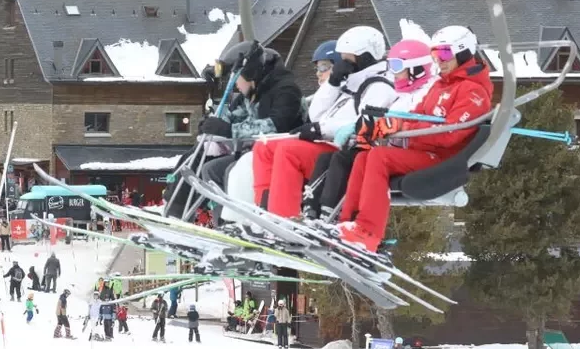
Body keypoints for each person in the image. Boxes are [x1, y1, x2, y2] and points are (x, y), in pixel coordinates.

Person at [337, 26, 493, 252]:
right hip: (423, 151)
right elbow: (416, 116)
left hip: (444, 160)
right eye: (435, 56)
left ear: (463, 52)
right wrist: (396, 125)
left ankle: (368, 232)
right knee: (365, 157)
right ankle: (347, 223)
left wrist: (408, 130)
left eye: (445, 54)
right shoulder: (440, 85)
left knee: (380, 157)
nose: (439, 61)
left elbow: (451, 134)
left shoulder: (473, 92)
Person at [250, 27, 391, 218]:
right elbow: (316, 113)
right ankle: (263, 209)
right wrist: (333, 82)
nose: (344, 64)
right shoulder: (349, 81)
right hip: (326, 144)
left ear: (364, 57)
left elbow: (362, 124)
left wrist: (320, 129)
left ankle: (282, 215)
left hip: (344, 149)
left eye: (347, 58)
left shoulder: (379, 85)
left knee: (289, 152)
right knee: (264, 146)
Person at [164, 40, 303, 221]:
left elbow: (275, 125)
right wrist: (214, 124)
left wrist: (229, 130)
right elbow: (232, 114)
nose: (235, 84)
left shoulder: (286, 90)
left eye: (236, 78)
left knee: (227, 169)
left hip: (280, 152)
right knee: (198, 160)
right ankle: (176, 208)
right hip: (254, 151)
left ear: (249, 73)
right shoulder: (253, 92)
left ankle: (232, 221)